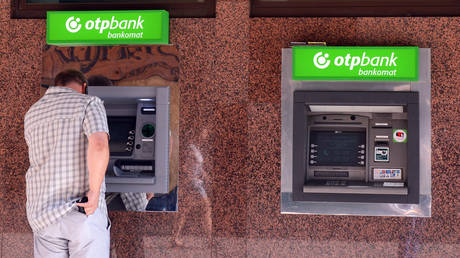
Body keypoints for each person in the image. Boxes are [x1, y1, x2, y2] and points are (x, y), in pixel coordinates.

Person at [24, 69, 111, 257]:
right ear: (83, 87)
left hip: (44, 216)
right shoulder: (89, 102)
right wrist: (94, 192)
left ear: (56, 85)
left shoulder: (32, 113)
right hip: (82, 211)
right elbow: (99, 145)